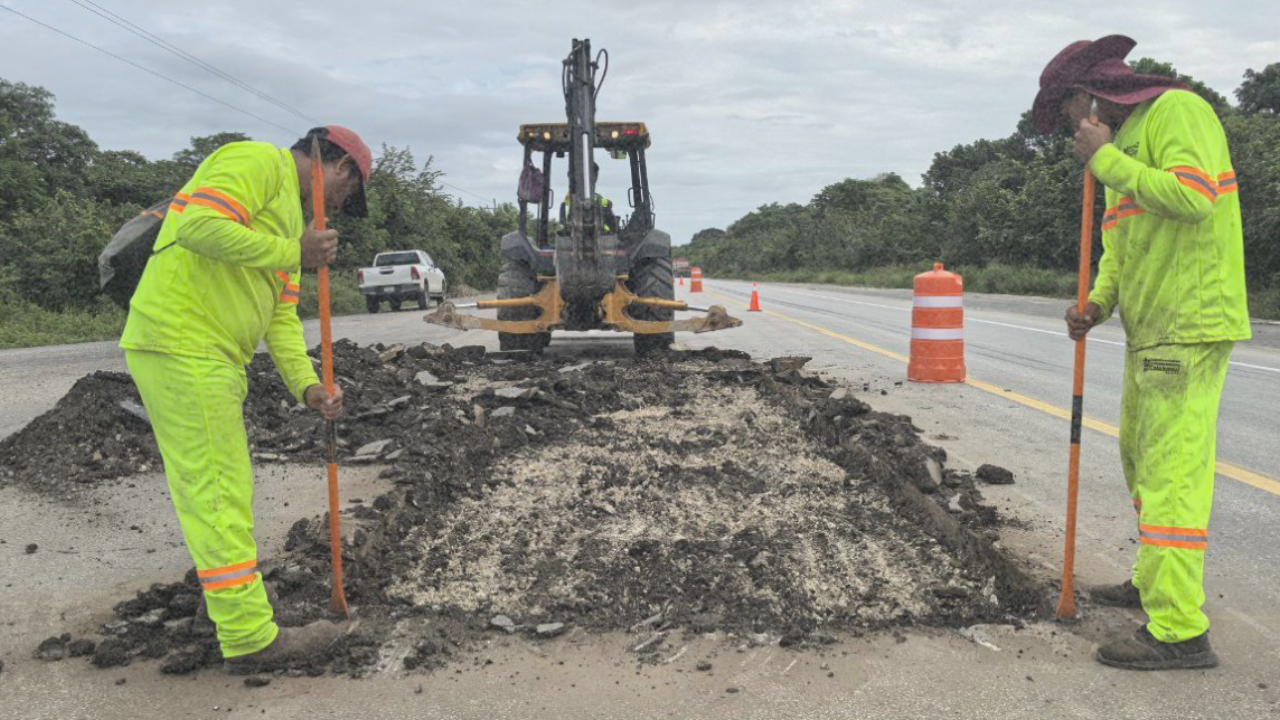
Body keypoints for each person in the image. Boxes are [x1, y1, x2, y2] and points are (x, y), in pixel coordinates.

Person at [119, 125, 372, 673]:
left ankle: (232, 610)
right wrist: (293, 250)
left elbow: (281, 318)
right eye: (350, 192)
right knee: (217, 489)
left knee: (221, 486)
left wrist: (308, 385)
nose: (341, 204)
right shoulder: (256, 163)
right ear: (340, 169)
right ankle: (249, 639)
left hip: (211, 355)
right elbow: (195, 227)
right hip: (183, 344)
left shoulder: (286, 217)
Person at [1033, 35, 1250, 670]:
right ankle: (1153, 581)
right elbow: (1120, 247)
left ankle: (1180, 630)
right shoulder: (1120, 150)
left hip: (1189, 319)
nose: (1070, 127)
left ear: (1087, 95)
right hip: (1149, 326)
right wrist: (1096, 304)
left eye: (1066, 112)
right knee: (1140, 462)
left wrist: (1105, 161)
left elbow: (1193, 197)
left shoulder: (1179, 112)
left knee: (1172, 475)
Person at [562, 161, 618, 233]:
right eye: (595, 175)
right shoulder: (574, 192)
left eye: (597, 175)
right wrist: (606, 202)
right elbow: (587, 202)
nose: (596, 178)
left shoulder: (595, 195)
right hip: (578, 227)